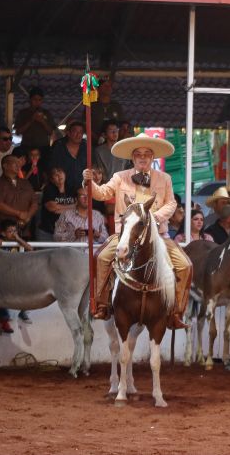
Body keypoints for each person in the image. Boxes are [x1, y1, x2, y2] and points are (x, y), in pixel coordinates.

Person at [82, 133, 191, 329]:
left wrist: (155, 218)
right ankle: (103, 304)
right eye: (138, 154)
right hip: (126, 235)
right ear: (132, 158)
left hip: (157, 235)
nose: (142, 157)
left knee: (185, 265)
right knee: (101, 257)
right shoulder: (119, 177)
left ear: (152, 158)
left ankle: (175, 312)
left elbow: (172, 202)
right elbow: (102, 193)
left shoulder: (164, 178)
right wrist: (90, 183)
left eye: (147, 154)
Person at [0, 154, 38, 240]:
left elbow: (34, 202)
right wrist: (19, 213)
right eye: (15, 163)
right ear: (5, 166)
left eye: (18, 163)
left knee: (23, 253)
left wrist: (28, 216)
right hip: (1, 232)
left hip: (23, 230)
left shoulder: (25, 183)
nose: (18, 165)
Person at [14, 87, 56, 152]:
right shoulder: (23, 113)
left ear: (42, 101)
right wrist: (31, 120)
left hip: (43, 147)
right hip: (27, 147)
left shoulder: (47, 113)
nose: (37, 102)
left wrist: (42, 121)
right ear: (30, 100)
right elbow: (18, 132)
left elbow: (51, 132)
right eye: (34, 99)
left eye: (39, 100)